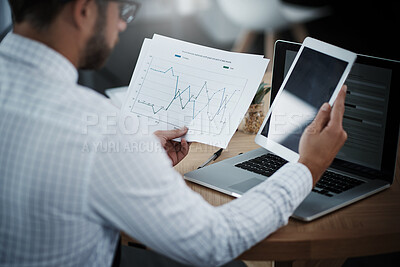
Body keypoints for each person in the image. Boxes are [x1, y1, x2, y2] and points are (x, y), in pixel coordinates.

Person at [0, 0, 348, 266]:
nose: (122, 24)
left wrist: (136, 156)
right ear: (85, 10)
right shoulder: (101, 135)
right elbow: (214, 242)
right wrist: (308, 167)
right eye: (122, 9)